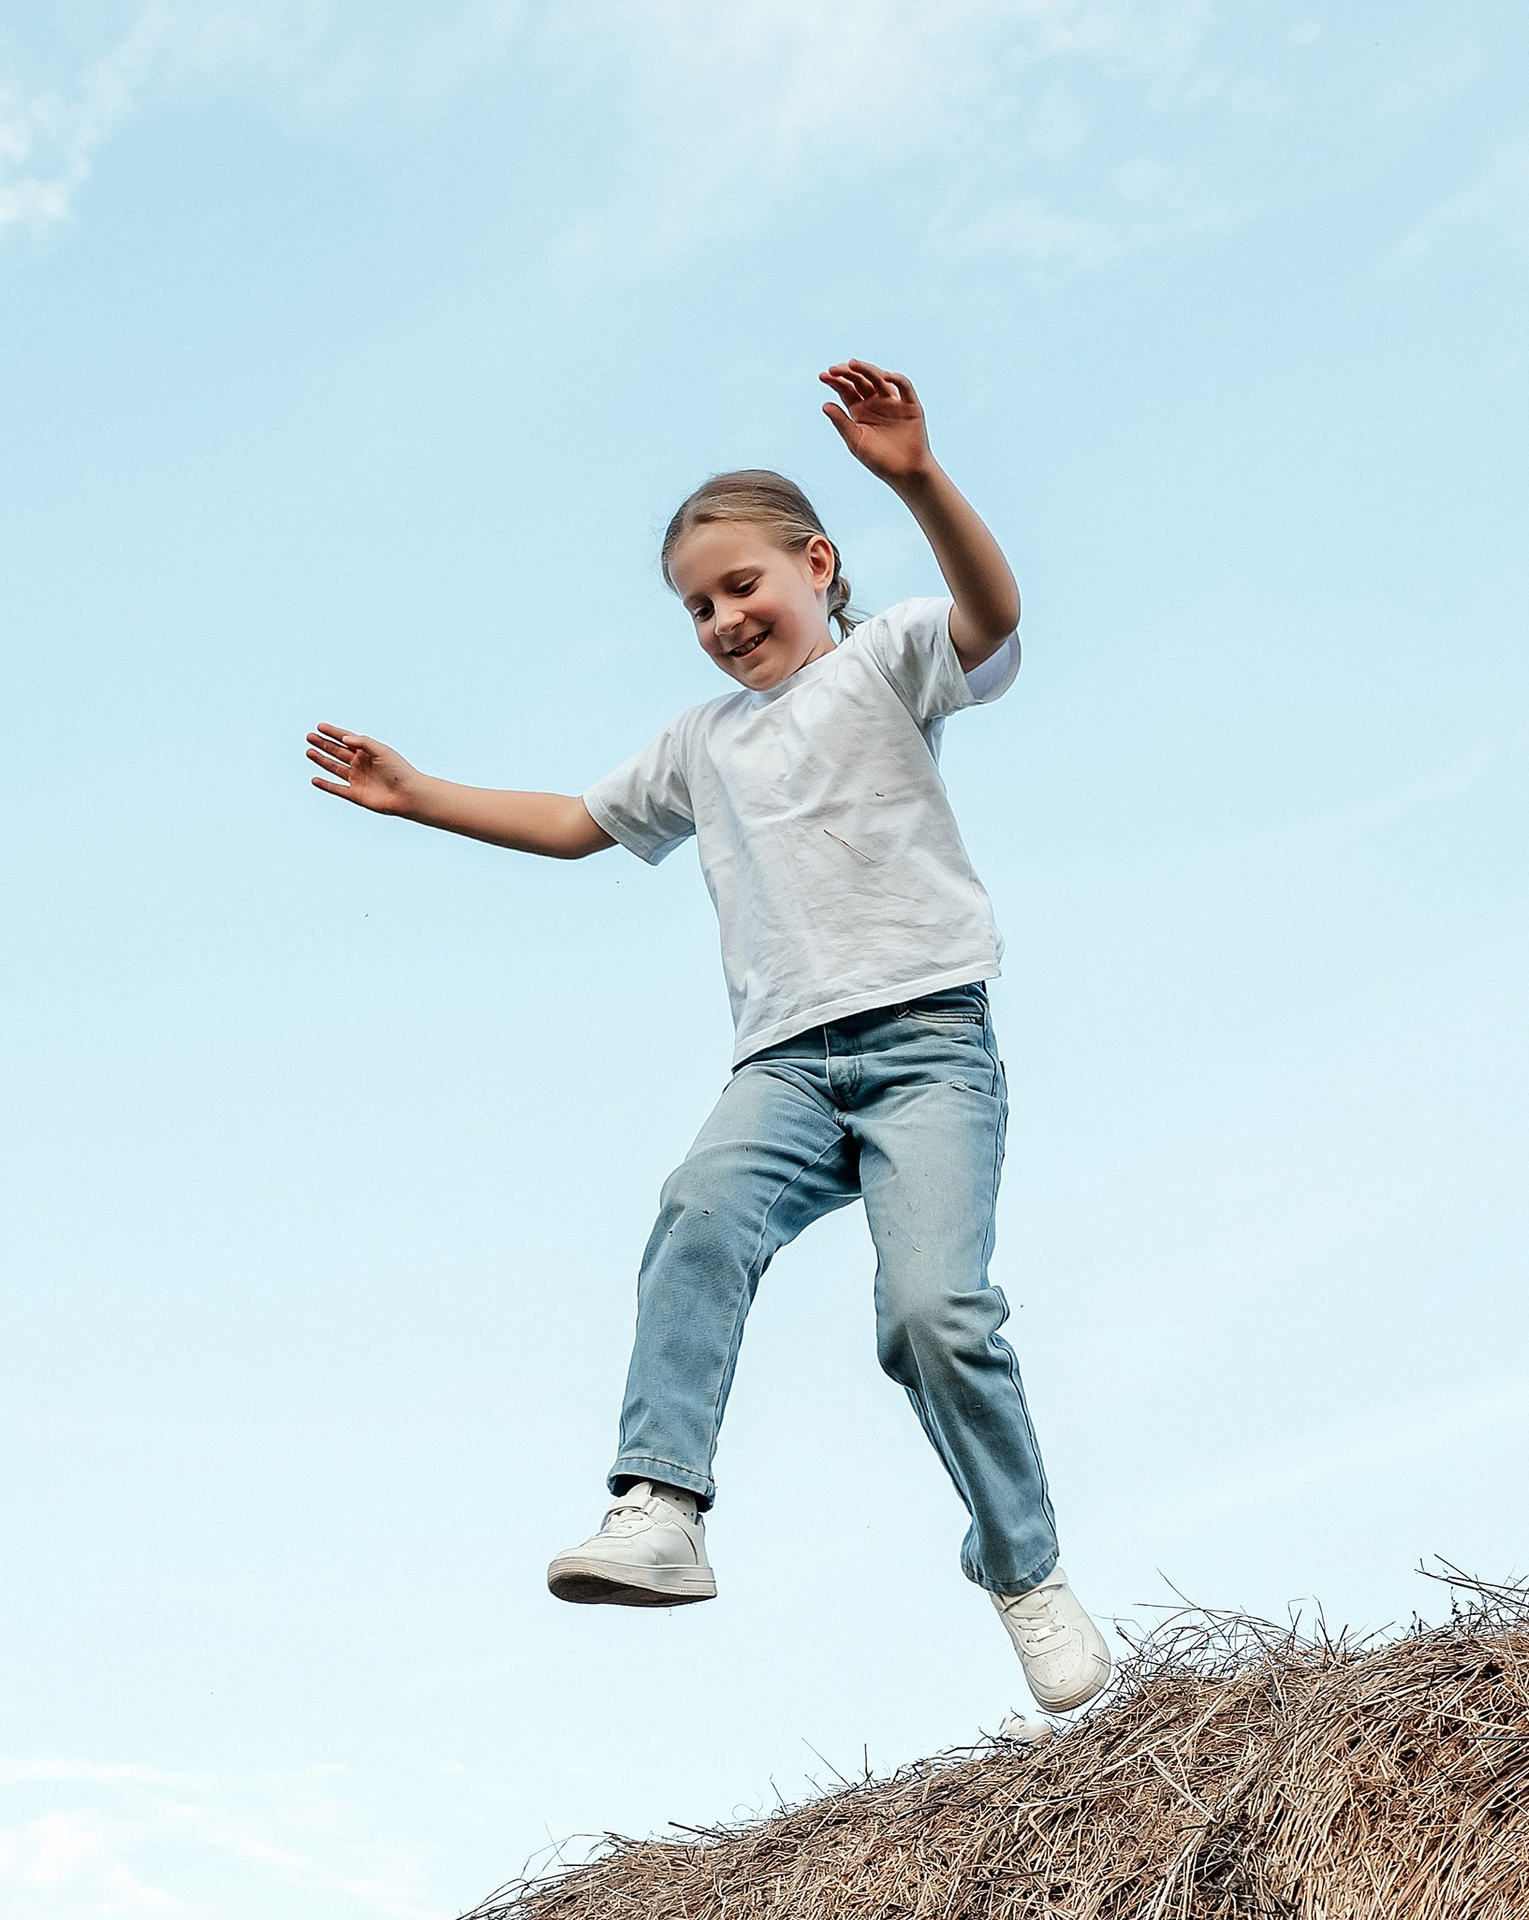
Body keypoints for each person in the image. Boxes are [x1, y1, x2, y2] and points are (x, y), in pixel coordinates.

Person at [305, 361, 1110, 1729]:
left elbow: (995, 614)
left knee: (931, 1316)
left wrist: (916, 475)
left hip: (927, 1046)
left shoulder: (888, 660)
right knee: (695, 1211)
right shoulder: (703, 742)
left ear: (817, 563)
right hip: (785, 1066)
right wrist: (417, 794)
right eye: (698, 607)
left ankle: (1022, 1566)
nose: (725, 620)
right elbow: (576, 824)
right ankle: (661, 1504)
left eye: (744, 587)